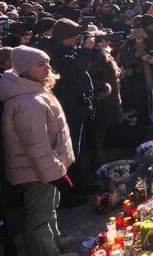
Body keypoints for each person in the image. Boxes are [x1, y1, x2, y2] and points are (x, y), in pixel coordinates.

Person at [0, 46, 77, 256]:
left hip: (45, 167)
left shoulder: (34, 90)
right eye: (40, 64)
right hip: (35, 171)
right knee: (38, 217)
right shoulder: (27, 102)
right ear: (26, 70)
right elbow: (37, 146)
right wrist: (55, 173)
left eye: (47, 62)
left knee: (49, 206)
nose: (48, 67)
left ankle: (55, 241)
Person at [48, 18, 95, 202]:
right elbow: (74, 72)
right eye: (75, 36)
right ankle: (70, 192)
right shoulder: (56, 54)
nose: (78, 39)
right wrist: (86, 50)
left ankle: (80, 184)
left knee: (79, 150)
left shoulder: (69, 50)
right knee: (69, 151)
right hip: (70, 109)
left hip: (79, 107)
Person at [87, 34, 122, 171]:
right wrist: (103, 87)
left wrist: (118, 73)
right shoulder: (94, 57)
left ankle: (104, 155)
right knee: (98, 130)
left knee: (105, 127)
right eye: (104, 40)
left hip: (110, 97)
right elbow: (88, 76)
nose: (107, 42)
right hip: (102, 98)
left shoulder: (103, 54)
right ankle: (98, 162)